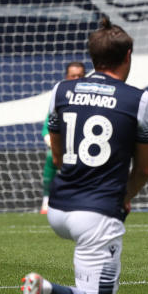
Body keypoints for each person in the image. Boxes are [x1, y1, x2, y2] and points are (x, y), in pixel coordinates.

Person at [15, 17, 148, 294]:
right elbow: (143, 169)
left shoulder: (62, 89)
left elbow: (56, 151)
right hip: (96, 211)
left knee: (101, 280)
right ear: (128, 55)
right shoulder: (138, 99)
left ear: (92, 56)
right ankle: (47, 290)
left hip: (59, 205)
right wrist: (124, 196)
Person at [39, 60, 86, 214]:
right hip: (65, 145)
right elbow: (48, 125)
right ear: (67, 77)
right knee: (51, 157)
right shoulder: (60, 97)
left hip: (86, 146)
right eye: (73, 76)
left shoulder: (92, 98)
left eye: (80, 76)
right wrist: (51, 141)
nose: (76, 79)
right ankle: (47, 199)